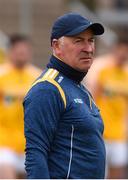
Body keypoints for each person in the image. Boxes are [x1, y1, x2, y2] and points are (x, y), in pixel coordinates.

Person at [23, 12, 106, 179]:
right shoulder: (48, 89)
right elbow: (35, 154)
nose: (88, 48)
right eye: (78, 41)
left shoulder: (78, 86)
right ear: (56, 46)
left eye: (91, 40)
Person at [84, 37, 128, 178]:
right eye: (121, 50)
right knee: (98, 174)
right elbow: (90, 99)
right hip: (100, 133)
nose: (124, 54)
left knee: (118, 175)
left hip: (120, 134)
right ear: (115, 49)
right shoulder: (100, 68)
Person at [0, 34, 41, 178]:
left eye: (25, 51)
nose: (22, 54)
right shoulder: (2, 75)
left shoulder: (38, 76)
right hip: (4, 142)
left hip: (29, 144)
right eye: (18, 50)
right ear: (10, 51)